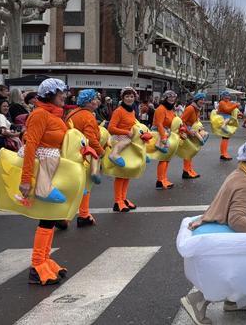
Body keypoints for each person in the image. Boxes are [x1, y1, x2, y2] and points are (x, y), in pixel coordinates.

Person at [180, 136, 246, 324]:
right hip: (227, 235)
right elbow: (236, 219)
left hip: (220, 230)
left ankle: (235, 302)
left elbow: (244, 205)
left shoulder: (242, 173)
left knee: (241, 269)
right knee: (235, 270)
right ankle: (196, 300)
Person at [19, 78, 71, 285]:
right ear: (50, 94)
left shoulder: (52, 114)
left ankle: (44, 260)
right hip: (42, 172)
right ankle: (37, 265)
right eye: (61, 94)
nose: (64, 96)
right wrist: (25, 180)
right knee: (46, 218)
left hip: (51, 170)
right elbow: (30, 145)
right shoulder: (40, 114)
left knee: (50, 218)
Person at [65, 89, 104, 227]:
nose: (97, 101)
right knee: (85, 186)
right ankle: (83, 215)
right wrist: (101, 152)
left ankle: (65, 216)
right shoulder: (87, 116)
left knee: (73, 186)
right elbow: (90, 138)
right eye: (95, 98)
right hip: (85, 154)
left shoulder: (72, 113)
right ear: (88, 101)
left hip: (70, 153)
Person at [107, 87, 149, 211]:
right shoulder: (118, 111)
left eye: (131, 96)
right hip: (121, 142)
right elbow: (111, 128)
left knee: (128, 173)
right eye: (127, 96)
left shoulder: (132, 111)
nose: (129, 98)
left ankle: (124, 198)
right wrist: (126, 132)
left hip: (130, 143)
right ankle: (117, 201)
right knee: (121, 174)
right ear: (123, 98)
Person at [152, 90, 179, 190]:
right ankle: (160, 181)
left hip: (168, 133)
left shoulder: (171, 109)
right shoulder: (161, 109)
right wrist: (163, 137)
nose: (172, 99)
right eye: (170, 97)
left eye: (173, 97)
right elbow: (159, 124)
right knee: (163, 158)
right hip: (160, 133)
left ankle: (164, 179)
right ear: (165, 98)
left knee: (167, 158)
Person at [180, 92, 208, 179]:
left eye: (204, 100)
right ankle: (186, 171)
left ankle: (189, 170)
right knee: (188, 152)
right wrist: (188, 131)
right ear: (196, 100)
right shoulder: (190, 108)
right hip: (188, 132)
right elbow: (181, 121)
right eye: (201, 100)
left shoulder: (197, 109)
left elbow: (196, 122)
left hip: (193, 132)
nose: (203, 101)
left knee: (191, 152)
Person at [217, 91, 241, 161]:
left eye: (228, 97)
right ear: (223, 97)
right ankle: (223, 154)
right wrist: (235, 105)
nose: (227, 98)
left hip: (227, 118)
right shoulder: (222, 102)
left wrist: (238, 113)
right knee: (225, 137)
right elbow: (227, 109)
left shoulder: (228, 102)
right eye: (226, 97)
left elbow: (233, 109)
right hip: (223, 118)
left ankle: (224, 153)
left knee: (226, 137)